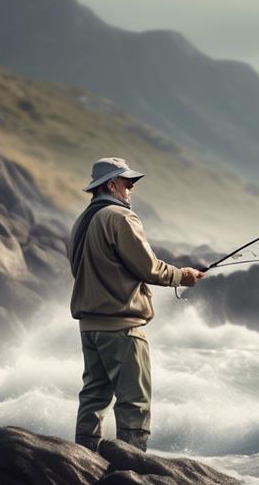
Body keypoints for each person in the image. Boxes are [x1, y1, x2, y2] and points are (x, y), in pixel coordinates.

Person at [67, 157, 205, 452]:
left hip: (89, 328)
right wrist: (183, 276)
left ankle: (84, 461)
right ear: (111, 185)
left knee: (93, 397)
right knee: (135, 403)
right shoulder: (120, 217)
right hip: (123, 328)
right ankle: (130, 469)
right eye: (128, 184)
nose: (131, 190)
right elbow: (149, 268)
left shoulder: (82, 221)